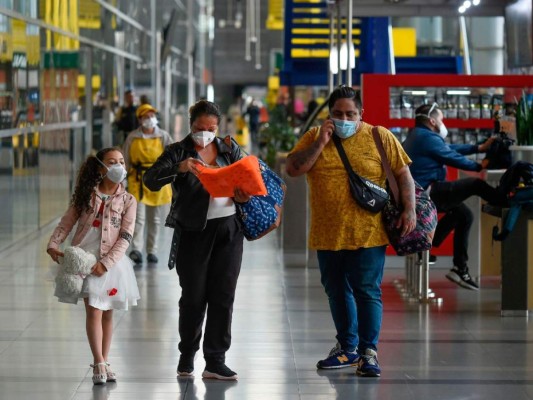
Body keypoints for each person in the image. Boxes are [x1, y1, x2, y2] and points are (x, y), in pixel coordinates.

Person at [285, 86, 416, 377]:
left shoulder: (379, 136)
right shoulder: (314, 136)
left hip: (368, 233)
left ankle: (369, 353)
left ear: (361, 114)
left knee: (367, 291)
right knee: (336, 292)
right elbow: (293, 169)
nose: (344, 119)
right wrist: (320, 142)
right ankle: (347, 348)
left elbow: (402, 173)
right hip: (327, 233)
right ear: (329, 114)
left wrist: (410, 209)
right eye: (338, 114)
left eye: (350, 114)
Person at [143, 99, 250, 380]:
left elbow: (249, 177)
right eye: (200, 128)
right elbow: (150, 180)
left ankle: (215, 359)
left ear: (219, 126)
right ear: (191, 126)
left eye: (211, 128)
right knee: (193, 297)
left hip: (229, 229)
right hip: (193, 231)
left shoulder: (229, 147)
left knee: (223, 296)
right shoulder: (178, 151)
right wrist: (179, 168)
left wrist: (244, 193)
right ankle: (187, 355)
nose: (205, 134)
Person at [46, 147, 140, 385]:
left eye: (121, 161)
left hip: (111, 264)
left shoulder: (129, 200)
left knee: (107, 313)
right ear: (101, 167)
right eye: (112, 161)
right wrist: (54, 243)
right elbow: (67, 221)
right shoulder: (87, 195)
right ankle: (98, 360)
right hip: (84, 261)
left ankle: (104, 361)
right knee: (93, 310)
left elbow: (126, 237)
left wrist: (106, 264)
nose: (118, 166)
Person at [402, 103, 506, 291]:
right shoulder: (425, 137)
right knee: (475, 184)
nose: (443, 123)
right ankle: (506, 203)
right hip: (426, 194)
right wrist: (479, 166)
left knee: (464, 215)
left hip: (421, 194)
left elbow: (449, 148)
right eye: (441, 119)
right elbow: (450, 156)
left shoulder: (418, 135)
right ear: (432, 121)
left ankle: (455, 265)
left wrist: (479, 147)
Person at [123, 103, 174, 265]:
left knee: (155, 219)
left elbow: (173, 157)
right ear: (139, 119)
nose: (150, 119)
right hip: (137, 181)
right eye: (146, 116)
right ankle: (136, 250)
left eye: (152, 116)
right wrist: (123, 179)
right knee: (138, 218)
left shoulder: (164, 136)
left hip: (158, 181)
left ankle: (152, 250)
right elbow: (125, 159)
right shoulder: (132, 137)